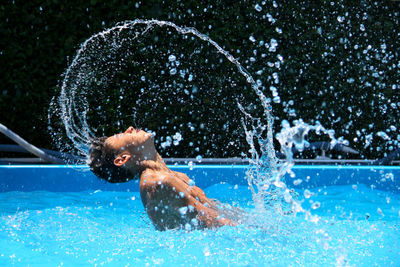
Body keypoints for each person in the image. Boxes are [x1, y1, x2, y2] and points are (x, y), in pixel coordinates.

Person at [89, 126, 239, 231]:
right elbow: (215, 223)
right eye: (120, 135)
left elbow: (215, 212)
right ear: (122, 159)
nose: (129, 128)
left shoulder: (173, 176)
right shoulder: (159, 183)